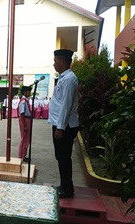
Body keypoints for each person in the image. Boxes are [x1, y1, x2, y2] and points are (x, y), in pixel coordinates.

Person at [48, 49, 79, 198]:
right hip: (61, 124)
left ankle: (67, 189)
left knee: (64, 157)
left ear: (63, 61)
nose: (54, 63)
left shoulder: (69, 79)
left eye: (55, 60)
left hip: (65, 126)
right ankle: (65, 185)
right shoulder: (63, 78)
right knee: (61, 157)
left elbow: (66, 105)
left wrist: (60, 128)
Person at [18, 86, 32, 162]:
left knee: (27, 138)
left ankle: (23, 154)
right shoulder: (23, 101)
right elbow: (22, 113)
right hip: (25, 119)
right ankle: (21, 155)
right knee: (24, 138)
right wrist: (24, 125)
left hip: (27, 119)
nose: (29, 93)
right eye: (28, 92)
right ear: (24, 92)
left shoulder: (26, 100)